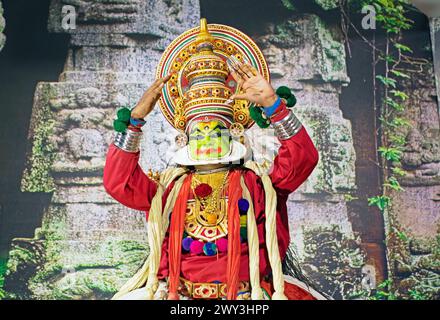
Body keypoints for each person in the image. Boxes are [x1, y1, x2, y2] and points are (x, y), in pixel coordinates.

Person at [103, 19, 324, 300]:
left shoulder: (258, 185)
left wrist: (273, 105)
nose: (207, 136)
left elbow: (303, 159)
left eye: (215, 128)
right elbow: (118, 183)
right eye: (199, 130)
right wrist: (134, 122)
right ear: (184, 136)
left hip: (249, 296)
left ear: (233, 132)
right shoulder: (168, 190)